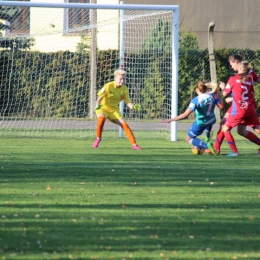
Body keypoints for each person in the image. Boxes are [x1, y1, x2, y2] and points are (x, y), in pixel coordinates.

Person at [214, 54, 260, 155]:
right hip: (248, 105)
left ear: (236, 62)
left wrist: (224, 88)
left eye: (231, 64)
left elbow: (227, 92)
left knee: (225, 126)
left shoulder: (234, 78)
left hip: (239, 107)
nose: (231, 67)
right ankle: (216, 148)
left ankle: (232, 151)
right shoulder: (250, 74)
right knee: (241, 130)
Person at [161, 81, 224, 155]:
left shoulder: (196, 100)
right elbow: (221, 106)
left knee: (188, 139)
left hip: (201, 123)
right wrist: (217, 96)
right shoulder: (212, 95)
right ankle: (207, 136)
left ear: (197, 90)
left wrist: (170, 120)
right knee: (208, 121)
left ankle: (207, 146)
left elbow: (185, 115)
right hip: (212, 120)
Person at [92, 69, 142, 150]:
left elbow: (128, 102)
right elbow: (99, 98)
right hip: (103, 108)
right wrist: (97, 105)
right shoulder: (108, 86)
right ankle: (98, 138)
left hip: (114, 110)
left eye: (123, 79)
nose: (122, 81)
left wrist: (134, 106)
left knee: (124, 125)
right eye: (120, 79)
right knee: (101, 119)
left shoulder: (124, 89)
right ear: (115, 78)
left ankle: (134, 145)